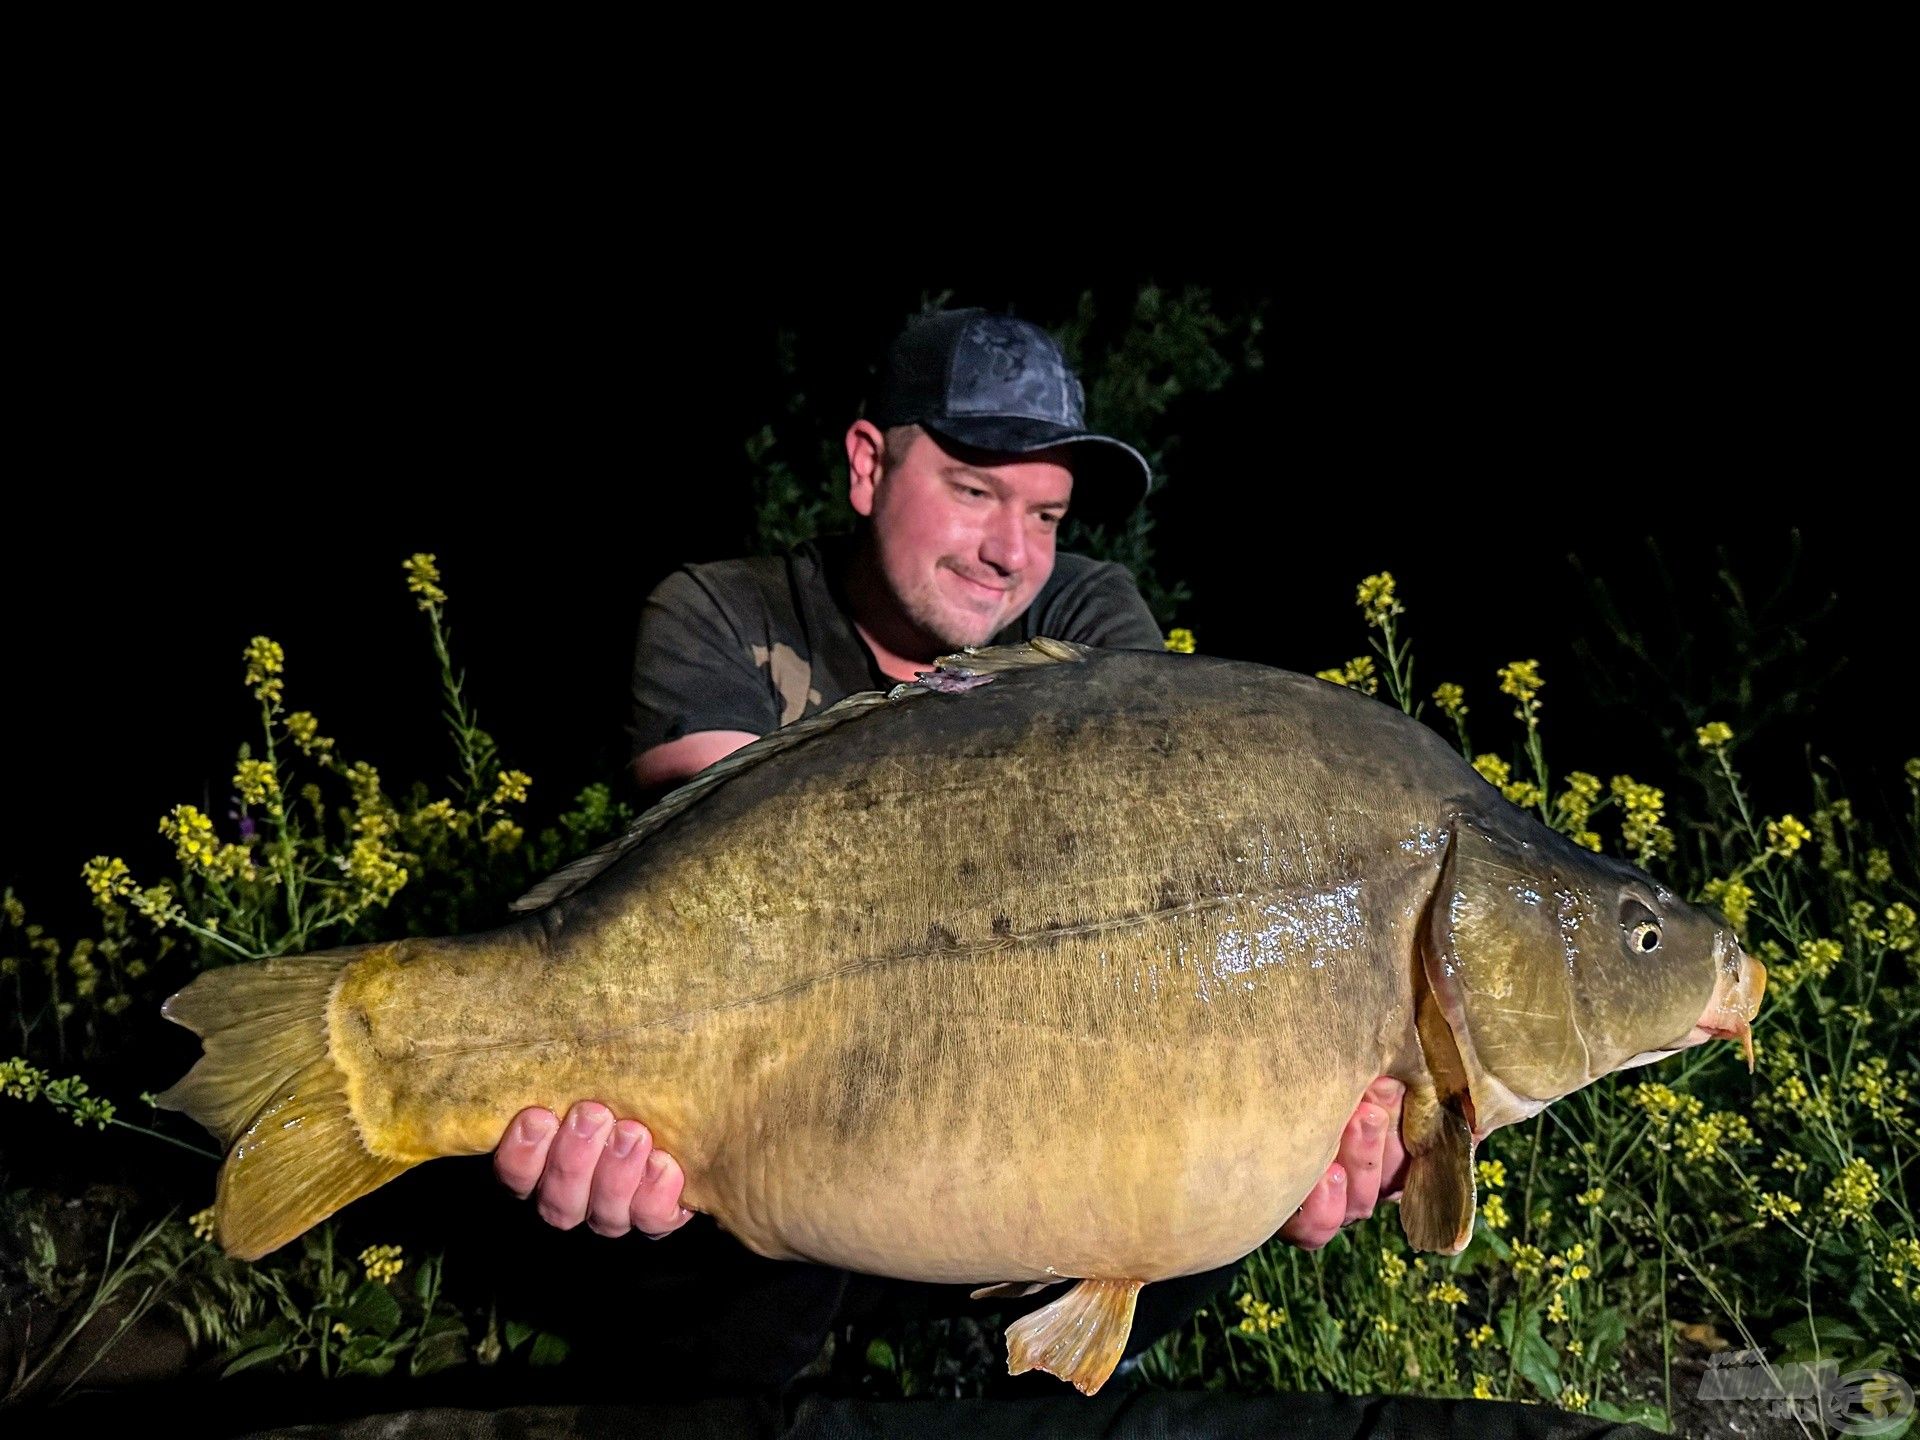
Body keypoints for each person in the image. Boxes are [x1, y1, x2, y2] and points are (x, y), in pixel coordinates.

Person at [489, 308, 1409, 1387]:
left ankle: (972, 1381)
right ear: (869, 465)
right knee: (680, 1218)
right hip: (783, 1087)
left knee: (1210, 1171)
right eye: (973, 492)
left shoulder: (1091, 621)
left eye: (1048, 514)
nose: (1009, 552)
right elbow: (724, 888)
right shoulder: (717, 613)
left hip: (1012, 1106)